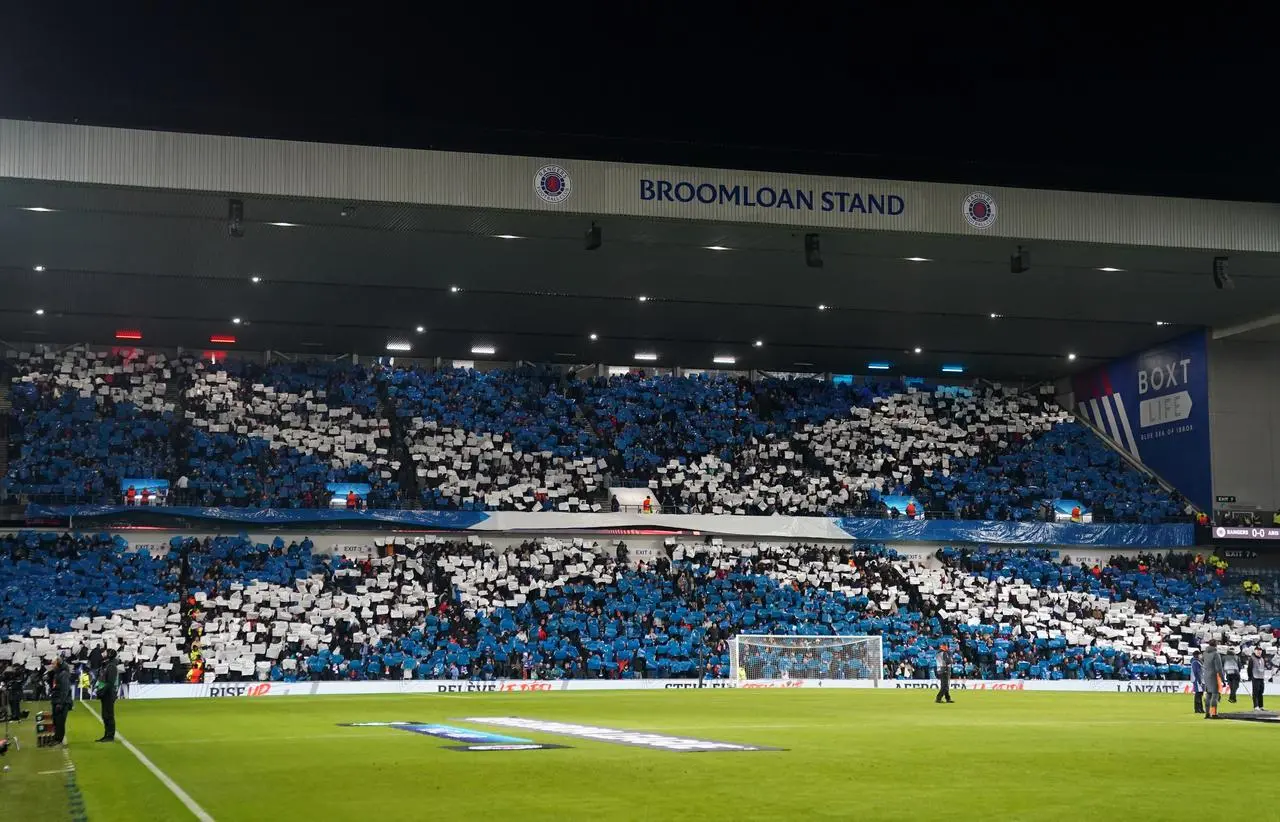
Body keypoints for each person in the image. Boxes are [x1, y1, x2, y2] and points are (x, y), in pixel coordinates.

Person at [97, 649, 119, 742]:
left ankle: (110, 735)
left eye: (105, 652)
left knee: (109, 715)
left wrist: (102, 691)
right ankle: (107, 734)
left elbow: (110, 682)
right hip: (106, 693)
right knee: (105, 715)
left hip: (109, 693)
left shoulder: (112, 666)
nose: (103, 654)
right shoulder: (107, 665)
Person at [50, 658, 72, 746]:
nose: (52, 666)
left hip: (61, 701)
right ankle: (56, 738)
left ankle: (59, 739)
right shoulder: (57, 673)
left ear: (58, 664)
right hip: (56, 700)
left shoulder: (63, 674)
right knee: (56, 721)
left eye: (53, 664)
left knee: (60, 722)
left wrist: (61, 703)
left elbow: (65, 690)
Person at [1201, 639, 1224, 720]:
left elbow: (1202, 661)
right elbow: (1219, 668)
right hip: (1214, 675)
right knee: (1215, 695)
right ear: (1216, 645)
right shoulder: (1216, 654)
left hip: (1206, 675)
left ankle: (1207, 713)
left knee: (1208, 695)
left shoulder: (1204, 653)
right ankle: (1214, 714)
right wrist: (1223, 679)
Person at [1247, 646, 1269, 711]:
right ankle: (1256, 706)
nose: (1259, 651)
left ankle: (1261, 706)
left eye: (1260, 650)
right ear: (1255, 651)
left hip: (1261, 677)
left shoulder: (1262, 659)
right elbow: (1249, 668)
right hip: (1255, 676)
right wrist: (1250, 676)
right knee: (1255, 692)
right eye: (1257, 650)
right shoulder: (1252, 659)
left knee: (1261, 692)